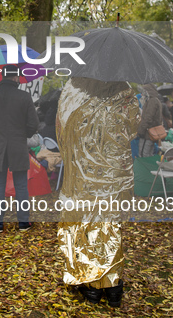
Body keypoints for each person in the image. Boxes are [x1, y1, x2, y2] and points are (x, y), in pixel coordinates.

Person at [56, 77, 140, 308]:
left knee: (86, 225)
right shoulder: (125, 90)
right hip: (113, 174)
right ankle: (113, 287)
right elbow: (132, 128)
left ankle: (91, 284)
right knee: (108, 226)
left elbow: (62, 129)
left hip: (83, 173)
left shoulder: (75, 89)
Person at [0, 65, 40, 233]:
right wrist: (22, 135)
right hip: (18, 146)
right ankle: (24, 222)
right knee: (21, 185)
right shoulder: (24, 97)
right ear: (15, 78)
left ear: (2, 78)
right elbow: (34, 124)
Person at [137, 84, 163, 157]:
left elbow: (148, 118)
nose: (142, 94)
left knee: (143, 154)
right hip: (151, 133)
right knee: (149, 154)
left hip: (147, 133)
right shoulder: (155, 100)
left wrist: (141, 131)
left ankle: (145, 168)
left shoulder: (152, 101)